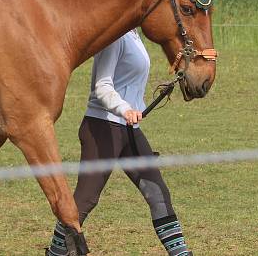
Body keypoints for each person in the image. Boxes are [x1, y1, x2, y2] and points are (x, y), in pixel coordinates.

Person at [46, 30, 193, 256]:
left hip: (129, 129)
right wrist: (125, 108)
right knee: (85, 200)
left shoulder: (133, 35)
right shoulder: (114, 36)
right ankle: (55, 253)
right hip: (103, 127)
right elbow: (102, 86)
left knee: (158, 193)